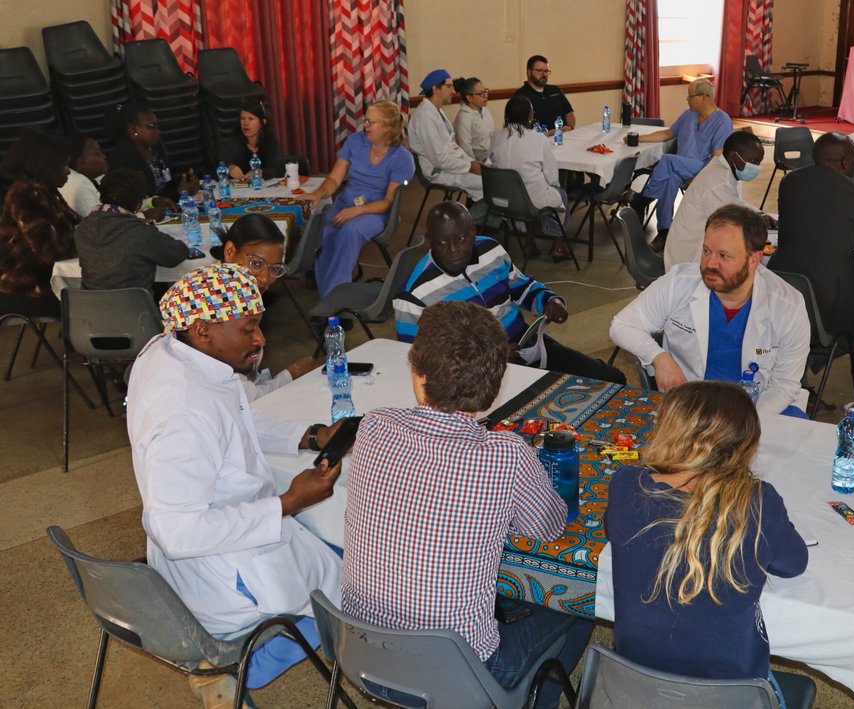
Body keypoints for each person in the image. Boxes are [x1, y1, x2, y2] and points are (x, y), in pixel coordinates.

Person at [343, 299, 594, 709]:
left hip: (360, 654)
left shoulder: (374, 425)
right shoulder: (506, 454)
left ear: (417, 371)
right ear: (493, 387)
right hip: (461, 677)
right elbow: (546, 528)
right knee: (578, 602)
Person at [127, 263, 348, 706]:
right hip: (220, 572)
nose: (261, 340)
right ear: (205, 330)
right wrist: (287, 502)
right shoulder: (183, 412)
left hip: (231, 540)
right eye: (249, 329)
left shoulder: (172, 349)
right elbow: (179, 532)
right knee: (358, 581)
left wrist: (306, 434)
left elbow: (232, 416)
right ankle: (231, 669)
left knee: (332, 550)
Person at [607, 380, 808, 706]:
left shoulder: (625, 486)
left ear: (667, 430)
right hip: (730, 695)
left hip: (636, 689)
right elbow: (795, 563)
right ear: (745, 447)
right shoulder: (757, 503)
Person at [610, 204, 811, 416]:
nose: (710, 264)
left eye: (724, 256)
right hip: (693, 406)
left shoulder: (788, 305)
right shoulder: (679, 282)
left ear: (754, 259)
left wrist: (748, 422)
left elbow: (784, 384)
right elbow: (621, 325)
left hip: (760, 408)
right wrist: (659, 357)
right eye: (706, 251)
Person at [394, 202, 626, 384]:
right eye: (443, 243)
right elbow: (419, 361)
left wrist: (548, 299)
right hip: (474, 376)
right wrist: (486, 360)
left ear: (473, 232)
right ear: (429, 241)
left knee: (612, 379)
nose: (453, 249)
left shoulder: (490, 249)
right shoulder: (414, 295)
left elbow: (521, 287)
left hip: (527, 344)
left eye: (461, 239)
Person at [770, 132, 854, 346]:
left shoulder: (789, 182)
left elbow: (818, 221)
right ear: (845, 162)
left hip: (781, 290)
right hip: (827, 303)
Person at [301, 99, 414, 297]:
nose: (365, 126)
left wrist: (357, 211)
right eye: (366, 120)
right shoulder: (355, 141)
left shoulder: (402, 158)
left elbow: (388, 202)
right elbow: (335, 178)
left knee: (349, 232)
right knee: (324, 230)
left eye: (371, 122)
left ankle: (334, 303)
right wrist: (318, 194)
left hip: (375, 211)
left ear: (387, 127)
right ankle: (328, 294)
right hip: (345, 204)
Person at [213, 213, 321, 400]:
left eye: (275, 269)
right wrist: (291, 374)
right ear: (229, 251)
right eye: (256, 264)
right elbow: (242, 399)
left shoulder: (238, 294)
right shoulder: (217, 305)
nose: (266, 278)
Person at [627, 78, 734, 252]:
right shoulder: (688, 115)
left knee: (667, 160)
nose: (687, 100)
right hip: (678, 167)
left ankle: (641, 201)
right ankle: (664, 233)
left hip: (702, 168)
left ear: (704, 97)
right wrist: (638, 138)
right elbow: (668, 133)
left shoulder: (722, 121)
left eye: (690, 96)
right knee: (669, 181)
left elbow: (716, 158)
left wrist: (698, 178)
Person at [663, 131, 774, 270]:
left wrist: (759, 214)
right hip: (689, 262)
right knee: (754, 266)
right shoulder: (719, 183)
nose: (756, 167)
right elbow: (730, 226)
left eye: (759, 162)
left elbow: (734, 203)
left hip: (700, 248)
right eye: (753, 162)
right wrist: (758, 225)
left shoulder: (724, 169)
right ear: (733, 156)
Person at [73, 167, 190, 293]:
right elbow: (176, 254)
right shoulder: (140, 232)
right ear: (138, 204)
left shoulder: (82, 228)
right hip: (136, 310)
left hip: (88, 309)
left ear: (101, 197)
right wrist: (150, 230)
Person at [0, 128, 77, 319]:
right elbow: (50, 250)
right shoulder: (27, 194)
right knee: (100, 299)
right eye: (63, 165)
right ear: (45, 165)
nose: (68, 170)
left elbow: (78, 224)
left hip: (45, 283)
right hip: (27, 289)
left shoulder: (47, 191)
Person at [489, 95, 571, 261]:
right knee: (557, 193)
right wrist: (552, 186)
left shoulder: (496, 138)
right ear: (530, 116)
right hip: (530, 201)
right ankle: (558, 247)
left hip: (502, 200)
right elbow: (552, 176)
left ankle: (529, 243)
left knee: (530, 189)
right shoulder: (538, 139)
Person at [408, 69, 484, 203]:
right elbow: (438, 159)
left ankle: (477, 216)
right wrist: (469, 167)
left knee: (490, 175)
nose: (454, 91)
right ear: (435, 89)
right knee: (488, 183)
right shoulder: (424, 116)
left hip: (449, 166)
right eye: (449, 86)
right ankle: (477, 219)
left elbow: (451, 145)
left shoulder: (436, 111)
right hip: (437, 172)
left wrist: (470, 162)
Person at [106, 102, 199, 209]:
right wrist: (179, 193)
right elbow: (139, 199)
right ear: (133, 129)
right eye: (152, 127)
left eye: (157, 126)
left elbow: (165, 184)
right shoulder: (123, 157)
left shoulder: (155, 148)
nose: (158, 131)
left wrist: (186, 182)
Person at [220, 98, 284, 182]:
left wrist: (260, 172)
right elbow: (223, 162)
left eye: (250, 119)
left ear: (262, 123)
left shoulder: (270, 140)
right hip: (241, 191)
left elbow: (276, 170)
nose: (245, 123)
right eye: (242, 119)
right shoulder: (234, 139)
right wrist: (230, 168)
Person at [512, 54, 576, 131]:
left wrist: (570, 127)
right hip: (539, 140)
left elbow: (569, 113)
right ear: (529, 72)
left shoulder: (555, 90)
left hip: (564, 136)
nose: (544, 74)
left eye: (546, 71)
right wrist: (550, 133)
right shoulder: (520, 96)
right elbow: (521, 129)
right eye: (539, 70)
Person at [60, 134, 108, 217]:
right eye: (97, 153)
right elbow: (100, 225)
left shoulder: (92, 179)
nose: (104, 156)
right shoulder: (80, 186)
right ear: (80, 162)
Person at [452, 76, 495, 162]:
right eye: (481, 93)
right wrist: (477, 165)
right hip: (479, 163)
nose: (486, 95)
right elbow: (466, 149)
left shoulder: (485, 111)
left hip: (492, 157)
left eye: (486, 91)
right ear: (469, 98)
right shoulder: (463, 117)